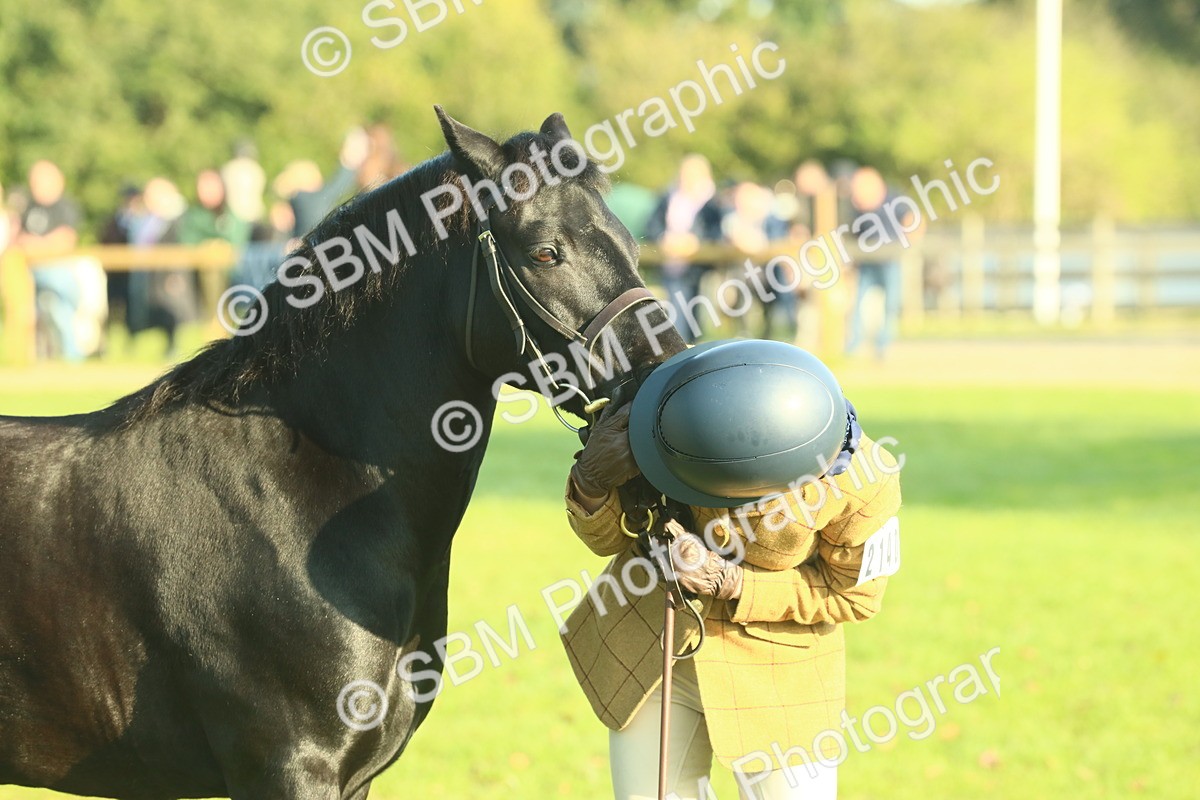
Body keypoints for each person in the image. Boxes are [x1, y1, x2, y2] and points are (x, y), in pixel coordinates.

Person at [560, 343, 902, 799]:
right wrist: (591, 482)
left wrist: (734, 582)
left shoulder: (865, 483)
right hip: (654, 651)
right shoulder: (668, 419)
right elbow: (607, 540)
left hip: (780, 680)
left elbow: (854, 597)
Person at [15, 160, 107, 361]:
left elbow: (65, 240)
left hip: (56, 269)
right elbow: (19, 238)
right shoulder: (29, 207)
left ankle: (73, 355)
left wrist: (35, 245)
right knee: (42, 309)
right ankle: (63, 355)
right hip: (30, 272)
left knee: (58, 305)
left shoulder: (65, 206)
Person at [644, 155, 725, 343]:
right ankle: (679, 347)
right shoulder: (667, 197)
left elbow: (716, 232)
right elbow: (652, 226)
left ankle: (692, 348)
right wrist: (664, 239)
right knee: (676, 312)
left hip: (699, 266)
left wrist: (695, 242)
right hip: (671, 263)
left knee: (695, 313)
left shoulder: (712, 202)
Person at [845, 167, 916, 360]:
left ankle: (883, 345)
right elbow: (852, 233)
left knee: (891, 304)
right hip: (866, 263)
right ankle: (853, 345)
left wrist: (908, 243)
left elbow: (913, 219)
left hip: (889, 261)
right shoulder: (855, 205)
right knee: (858, 303)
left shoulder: (893, 200)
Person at [127, 177, 195, 358]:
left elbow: (180, 247)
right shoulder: (146, 219)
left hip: (171, 273)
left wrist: (176, 274)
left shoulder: (179, 219)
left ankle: (173, 346)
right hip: (150, 274)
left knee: (171, 310)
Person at [273, 127, 370, 238]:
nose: (320, 181)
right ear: (303, 181)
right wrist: (350, 159)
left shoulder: (297, 200)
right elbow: (332, 191)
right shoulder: (303, 200)